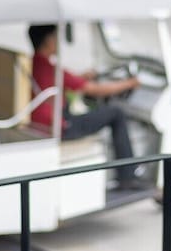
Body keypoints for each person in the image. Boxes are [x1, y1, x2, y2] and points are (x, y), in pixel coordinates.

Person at [27, 24, 143, 187]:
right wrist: (130, 83)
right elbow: (96, 90)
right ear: (48, 40)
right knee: (116, 113)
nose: (58, 41)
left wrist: (83, 76)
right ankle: (128, 176)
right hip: (61, 126)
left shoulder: (33, 64)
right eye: (56, 37)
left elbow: (65, 82)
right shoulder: (51, 69)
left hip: (41, 122)